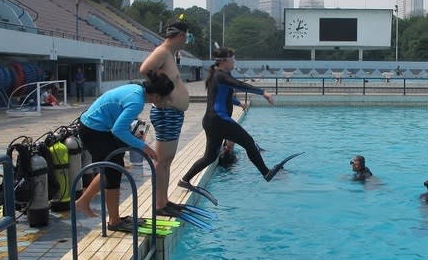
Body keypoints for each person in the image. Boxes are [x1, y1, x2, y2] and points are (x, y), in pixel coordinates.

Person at [178, 46, 285, 202]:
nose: (235, 61)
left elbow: (225, 97)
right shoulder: (220, 75)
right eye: (232, 58)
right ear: (223, 61)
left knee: (210, 157)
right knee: (249, 142)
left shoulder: (219, 75)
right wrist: (263, 92)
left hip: (211, 121)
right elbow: (239, 84)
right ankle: (266, 173)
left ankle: (184, 180)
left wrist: (238, 103)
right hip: (219, 120)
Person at [74, 73, 174, 232]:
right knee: (114, 171)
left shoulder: (137, 90)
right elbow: (118, 129)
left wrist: (135, 142)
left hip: (100, 128)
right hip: (93, 130)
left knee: (112, 168)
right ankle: (114, 222)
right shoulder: (137, 101)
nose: (165, 101)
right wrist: (143, 147)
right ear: (156, 95)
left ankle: (84, 201)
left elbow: (120, 122)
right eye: (164, 98)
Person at [139, 17, 192, 214]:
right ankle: (159, 204)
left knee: (167, 160)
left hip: (172, 113)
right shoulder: (162, 52)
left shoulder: (170, 54)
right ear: (180, 35)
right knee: (161, 161)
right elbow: (145, 69)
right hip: (165, 113)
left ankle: (164, 200)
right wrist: (163, 94)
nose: (186, 41)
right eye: (186, 37)